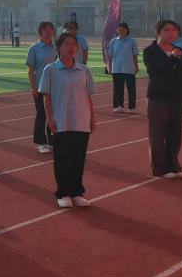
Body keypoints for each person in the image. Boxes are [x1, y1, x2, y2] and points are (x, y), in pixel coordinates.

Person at [39, 33, 97, 208]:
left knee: (78, 158)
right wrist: (50, 119)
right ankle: (63, 193)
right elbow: (46, 96)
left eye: (73, 44)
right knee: (63, 159)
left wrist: (92, 118)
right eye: (66, 44)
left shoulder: (83, 70)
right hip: (61, 120)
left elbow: (88, 96)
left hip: (81, 120)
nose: (71, 47)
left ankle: (76, 192)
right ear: (58, 48)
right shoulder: (50, 69)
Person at [143, 19, 182, 179]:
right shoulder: (150, 51)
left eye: (173, 30)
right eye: (166, 30)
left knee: (175, 133)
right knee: (158, 134)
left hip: (177, 98)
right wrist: (172, 58)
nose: (171, 33)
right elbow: (156, 71)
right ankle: (160, 168)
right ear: (158, 32)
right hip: (159, 98)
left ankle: (173, 164)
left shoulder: (179, 50)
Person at [26, 21, 58, 154]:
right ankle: (40, 142)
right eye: (45, 29)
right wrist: (33, 87)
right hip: (40, 87)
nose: (49, 31)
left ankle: (52, 140)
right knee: (42, 114)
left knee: (54, 114)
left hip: (55, 87)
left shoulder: (56, 47)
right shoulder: (34, 49)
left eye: (51, 29)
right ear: (40, 32)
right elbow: (30, 70)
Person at [108, 22, 139, 112]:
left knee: (131, 89)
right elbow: (110, 55)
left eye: (123, 29)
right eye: (119, 29)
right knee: (118, 89)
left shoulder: (132, 41)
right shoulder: (113, 41)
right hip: (117, 69)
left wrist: (136, 66)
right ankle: (118, 106)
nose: (121, 31)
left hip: (129, 68)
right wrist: (109, 67)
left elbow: (135, 55)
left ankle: (131, 107)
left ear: (127, 30)